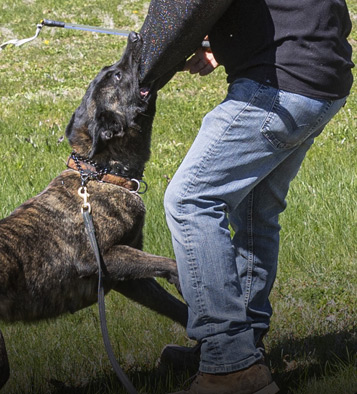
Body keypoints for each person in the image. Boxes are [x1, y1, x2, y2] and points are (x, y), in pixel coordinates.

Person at [137, 0, 354, 393]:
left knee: (191, 200)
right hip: (322, 78)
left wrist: (142, 69)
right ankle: (244, 345)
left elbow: (185, 6)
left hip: (282, 86)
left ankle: (229, 365)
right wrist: (230, 43)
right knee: (256, 213)